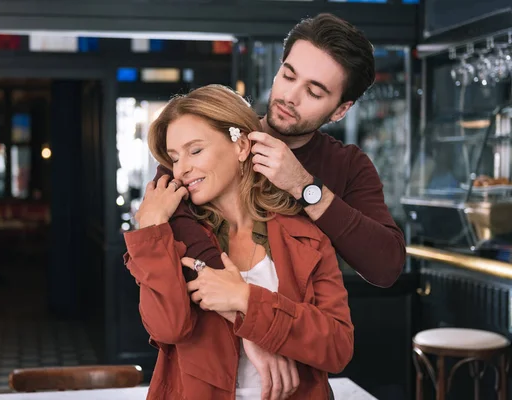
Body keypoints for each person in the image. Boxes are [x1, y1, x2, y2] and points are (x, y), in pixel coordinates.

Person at [124, 85, 353, 400]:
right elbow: (167, 328)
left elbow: (337, 347)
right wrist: (150, 227)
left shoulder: (306, 236)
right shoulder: (173, 239)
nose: (182, 168)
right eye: (175, 157)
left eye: (195, 150)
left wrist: (245, 299)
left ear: (242, 145)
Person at [157, 13, 406, 289]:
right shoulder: (214, 135)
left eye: (313, 92)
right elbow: (164, 216)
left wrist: (305, 188)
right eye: (288, 76)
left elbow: (386, 266)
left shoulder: (348, 166)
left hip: (298, 326)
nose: (290, 96)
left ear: (340, 110)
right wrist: (223, 281)